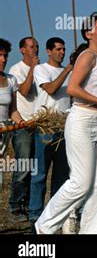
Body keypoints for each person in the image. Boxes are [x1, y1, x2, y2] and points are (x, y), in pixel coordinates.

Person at [35, 12, 97, 234]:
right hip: (82, 121)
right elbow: (72, 89)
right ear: (88, 33)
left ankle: (91, 232)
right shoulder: (87, 56)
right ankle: (44, 227)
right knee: (80, 183)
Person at [29, 37, 72, 231]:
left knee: (61, 177)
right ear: (48, 51)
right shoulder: (41, 69)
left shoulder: (68, 73)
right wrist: (69, 69)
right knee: (40, 175)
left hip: (64, 128)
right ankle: (35, 215)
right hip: (45, 128)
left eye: (63, 50)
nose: (61, 53)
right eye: (58, 50)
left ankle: (54, 215)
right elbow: (52, 90)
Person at [8, 37, 39, 221]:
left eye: (36, 46)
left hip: (38, 124)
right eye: (31, 47)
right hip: (22, 124)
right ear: (22, 50)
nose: (35, 49)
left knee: (34, 168)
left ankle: (28, 204)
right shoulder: (16, 70)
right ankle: (15, 206)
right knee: (23, 167)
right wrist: (33, 69)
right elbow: (25, 91)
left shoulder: (40, 68)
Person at [0, 39, 25, 188]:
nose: (3, 60)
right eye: (0, 55)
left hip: (4, 131)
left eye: (5, 56)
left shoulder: (11, 80)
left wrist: (22, 123)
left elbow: (13, 111)